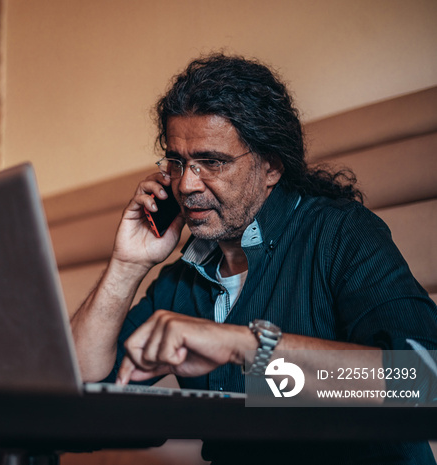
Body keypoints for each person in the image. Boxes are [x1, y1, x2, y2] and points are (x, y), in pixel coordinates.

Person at [70, 53, 437, 464]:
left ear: (271, 167)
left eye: (211, 162)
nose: (187, 185)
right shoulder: (181, 280)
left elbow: (423, 381)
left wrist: (244, 346)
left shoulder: (340, 233)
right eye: (177, 163)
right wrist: (127, 265)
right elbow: (77, 391)